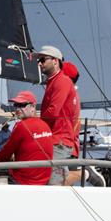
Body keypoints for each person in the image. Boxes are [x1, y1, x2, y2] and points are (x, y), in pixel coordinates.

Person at [36, 45, 79, 185]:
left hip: (59, 141)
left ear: (55, 61)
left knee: (54, 184)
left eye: (42, 60)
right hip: (54, 140)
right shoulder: (54, 81)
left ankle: (83, 174)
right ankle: (83, 174)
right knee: (52, 182)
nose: (39, 63)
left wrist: (34, 125)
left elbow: (53, 112)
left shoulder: (61, 81)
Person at [61, 62, 105, 187]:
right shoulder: (72, 94)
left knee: (59, 182)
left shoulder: (66, 95)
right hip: (69, 145)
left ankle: (86, 173)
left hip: (65, 145)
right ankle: (85, 173)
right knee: (63, 187)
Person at [0, 91, 53, 185]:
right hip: (44, 181)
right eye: (16, 105)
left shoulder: (22, 126)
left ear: (33, 107)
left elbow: (5, 154)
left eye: (22, 105)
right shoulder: (45, 125)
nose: (18, 109)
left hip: (23, 181)